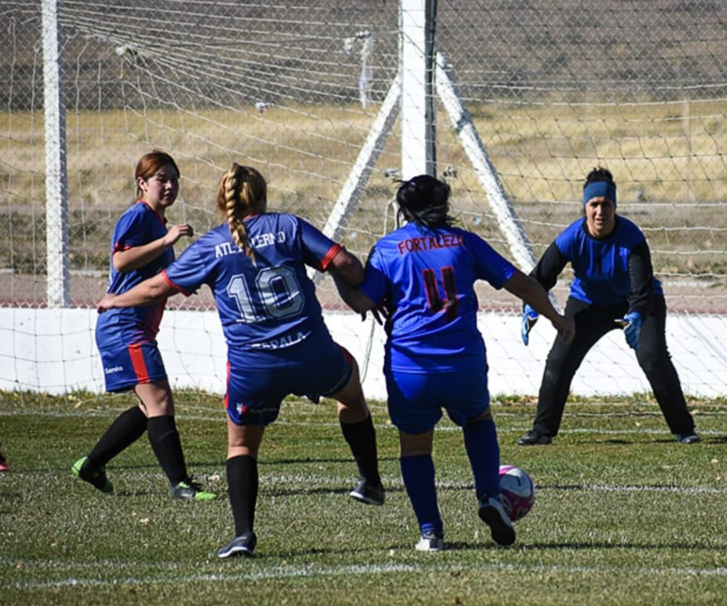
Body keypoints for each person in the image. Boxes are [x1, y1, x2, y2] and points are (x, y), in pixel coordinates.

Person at [98, 163, 383, 558]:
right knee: (350, 394)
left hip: (253, 368)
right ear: (262, 196)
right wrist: (364, 292)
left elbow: (154, 289)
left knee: (241, 446)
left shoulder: (210, 245)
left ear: (222, 200)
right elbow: (346, 264)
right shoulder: (288, 226)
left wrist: (115, 300)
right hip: (311, 353)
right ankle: (370, 481)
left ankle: (243, 536)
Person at [336, 174, 574, 552]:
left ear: (403, 210)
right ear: (443, 205)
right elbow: (523, 284)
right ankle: (489, 495)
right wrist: (557, 319)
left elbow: (362, 303)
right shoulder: (465, 242)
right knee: (478, 420)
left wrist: (336, 272)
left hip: (410, 367)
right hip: (463, 363)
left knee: (416, 448)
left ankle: (431, 533)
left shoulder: (387, 249)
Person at [517, 167, 699, 446]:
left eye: (606, 205)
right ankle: (542, 431)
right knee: (559, 359)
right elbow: (539, 278)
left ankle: (684, 429)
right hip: (589, 304)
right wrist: (530, 307)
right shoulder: (571, 237)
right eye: (594, 204)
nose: (600, 211)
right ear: (585, 207)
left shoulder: (632, 238)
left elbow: (642, 287)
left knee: (652, 357)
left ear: (615, 207)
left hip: (638, 304)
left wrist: (636, 315)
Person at [76, 151, 214, 501]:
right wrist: (167, 241)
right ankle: (180, 484)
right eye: (161, 179)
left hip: (135, 326)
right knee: (160, 400)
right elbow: (121, 261)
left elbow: (153, 278)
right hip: (124, 325)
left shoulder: (156, 221)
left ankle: (92, 465)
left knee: (149, 406)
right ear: (142, 183)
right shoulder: (138, 216)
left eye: (174, 179)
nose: (169, 186)